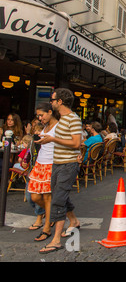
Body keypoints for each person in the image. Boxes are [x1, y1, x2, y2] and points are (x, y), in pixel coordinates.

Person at [35, 88, 82, 254]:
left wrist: (53, 139)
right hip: (58, 163)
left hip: (67, 165)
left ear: (60, 102)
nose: (51, 102)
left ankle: (55, 240)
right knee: (59, 196)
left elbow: (76, 142)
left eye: (53, 100)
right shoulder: (62, 119)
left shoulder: (73, 119)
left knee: (58, 199)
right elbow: (75, 142)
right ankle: (74, 221)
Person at [28, 102, 59, 242]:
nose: (40, 118)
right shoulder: (46, 126)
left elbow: (65, 142)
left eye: (41, 115)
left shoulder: (59, 126)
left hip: (50, 163)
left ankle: (47, 228)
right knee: (34, 197)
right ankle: (51, 214)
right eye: (38, 116)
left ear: (50, 112)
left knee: (47, 197)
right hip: (40, 163)